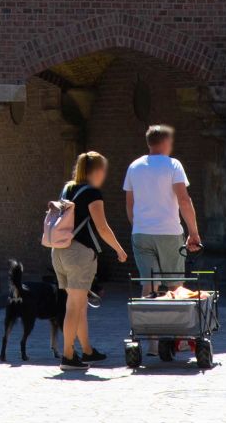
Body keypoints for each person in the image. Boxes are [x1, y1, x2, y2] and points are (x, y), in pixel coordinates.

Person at [54, 150, 129, 371]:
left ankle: (87, 350)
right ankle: (68, 356)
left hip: (59, 251)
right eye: (103, 170)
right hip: (78, 254)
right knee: (74, 306)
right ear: (95, 171)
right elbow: (102, 228)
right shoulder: (92, 193)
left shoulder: (68, 188)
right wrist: (119, 250)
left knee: (79, 305)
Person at [123, 124, 201, 295]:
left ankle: (147, 321)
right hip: (169, 233)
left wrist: (138, 226)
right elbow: (184, 200)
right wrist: (193, 232)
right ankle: (173, 322)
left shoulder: (134, 167)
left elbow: (129, 204)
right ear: (165, 142)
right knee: (175, 286)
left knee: (149, 284)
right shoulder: (173, 165)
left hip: (141, 233)